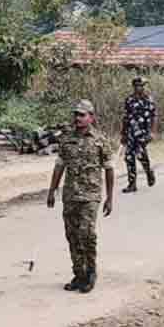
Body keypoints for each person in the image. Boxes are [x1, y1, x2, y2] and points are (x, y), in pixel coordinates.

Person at [47, 100, 114, 293]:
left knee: (87, 234)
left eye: (82, 115)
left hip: (90, 196)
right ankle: (79, 274)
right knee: (72, 235)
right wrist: (52, 190)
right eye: (76, 114)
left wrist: (110, 198)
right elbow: (59, 166)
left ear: (91, 117)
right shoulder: (66, 139)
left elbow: (109, 169)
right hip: (70, 195)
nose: (77, 118)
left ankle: (91, 272)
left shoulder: (100, 140)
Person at [120, 76, 157, 193]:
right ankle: (132, 184)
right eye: (138, 85)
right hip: (131, 132)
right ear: (134, 87)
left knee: (140, 155)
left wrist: (153, 132)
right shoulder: (129, 100)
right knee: (128, 157)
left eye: (142, 85)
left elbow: (154, 116)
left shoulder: (149, 100)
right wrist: (123, 133)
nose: (140, 88)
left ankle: (148, 171)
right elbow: (125, 117)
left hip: (143, 132)